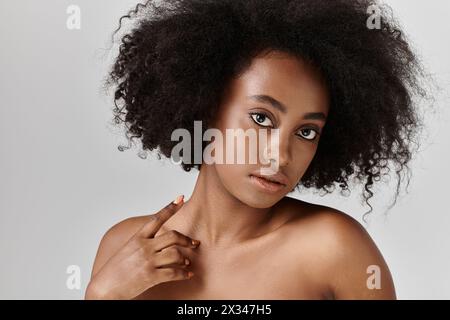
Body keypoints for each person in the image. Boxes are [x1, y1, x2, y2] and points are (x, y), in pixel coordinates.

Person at [85, 0, 427, 299]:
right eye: (262, 118)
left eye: (307, 131)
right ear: (205, 108)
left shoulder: (335, 250)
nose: (280, 156)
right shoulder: (125, 247)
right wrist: (102, 296)